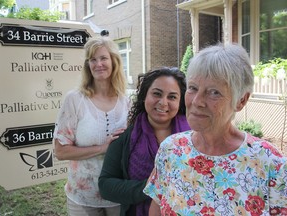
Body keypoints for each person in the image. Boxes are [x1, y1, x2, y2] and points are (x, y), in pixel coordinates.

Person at [144, 43, 287, 215]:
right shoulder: (171, 149)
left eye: (214, 92)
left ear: (241, 100)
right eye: (193, 88)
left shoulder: (270, 163)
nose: (197, 101)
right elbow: (157, 206)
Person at [53, 36, 130, 216]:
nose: (98, 64)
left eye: (103, 58)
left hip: (117, 193)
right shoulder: (75, 100)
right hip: (82, 196)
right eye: (92, 59)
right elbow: (60, 151)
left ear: (114, 61)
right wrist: (104, 148)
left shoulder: (126, 102)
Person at [98, 67, 191, 216]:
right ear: (144, 96)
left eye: (172, 97)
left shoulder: (195, 136)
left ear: (181, 102)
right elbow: (105, 186)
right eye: (157, 94)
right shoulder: (125, 139)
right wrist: (150, 187)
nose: (163, 102)